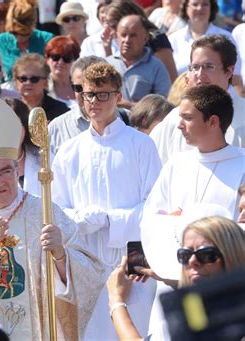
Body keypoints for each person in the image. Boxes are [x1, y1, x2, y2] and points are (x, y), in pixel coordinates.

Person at [0, 89, 104, 340]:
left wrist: (61, 254)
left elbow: (92, 274)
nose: (0, 181)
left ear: (16, 168)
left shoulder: (44, 212)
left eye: (6, 171)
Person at [51, 62, 162, 339]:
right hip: (85, 260)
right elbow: (57, 208)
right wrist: (80, 219)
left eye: (102, 95)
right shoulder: (69, 151)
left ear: (117, 95)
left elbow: (155, 206)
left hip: (129, 261)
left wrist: (111, 220)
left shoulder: (141, 145)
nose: (93, 102)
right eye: (88, 94)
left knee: (132, 326)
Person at [107, 215, 245, 340]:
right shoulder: (192, 313)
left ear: (233, 254)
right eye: (185, 255)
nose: (192, 261)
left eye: (206, 254)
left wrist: (116, 299)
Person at [144, 84, 244, 221]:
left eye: (188, 118)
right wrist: (170, 221)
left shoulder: (241, 164)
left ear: (213, 122)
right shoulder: (176, 164)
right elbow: (151, 217)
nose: (179, 125)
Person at [150, 35, 245, 164]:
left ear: (229, 71)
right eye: (195, 67)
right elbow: (154, 168)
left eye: (209, 67)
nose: (200, 74)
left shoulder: (242, 116)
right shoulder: (173, 120)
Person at [168, 0, 242, 92]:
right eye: (195, 4)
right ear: (185, 7)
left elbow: (236, 77)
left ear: (211, 8)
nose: (200, 8)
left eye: (205, 4)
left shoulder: (226, 37)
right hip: (181, 99)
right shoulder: (173, 39)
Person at [107, 14, 171, 108]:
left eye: (133, 35)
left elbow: (162, 106)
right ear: (117, 37)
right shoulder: (106, 64)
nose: (127, 40)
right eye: (123, 35)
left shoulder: (156, 67)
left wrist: (130, 106)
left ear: (145, 38)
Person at [0, 0, 54, 81]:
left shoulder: (47, 40)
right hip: (7, 92)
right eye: (14, 33)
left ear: (34, 25)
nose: (19, 38)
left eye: (25, 34)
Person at [13, 53, 69, 122]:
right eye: (23, 78)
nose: (28, 83)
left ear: (45, 82)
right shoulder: (11, 110)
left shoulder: (60, 110)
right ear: (15, 81)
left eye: (34, 79)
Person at [45, 36, 81, 108]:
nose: (60, 62)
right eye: (55, 57)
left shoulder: (83, 85)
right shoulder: (42, 87)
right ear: (47, 59)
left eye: (67, 58)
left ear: (75, 61)